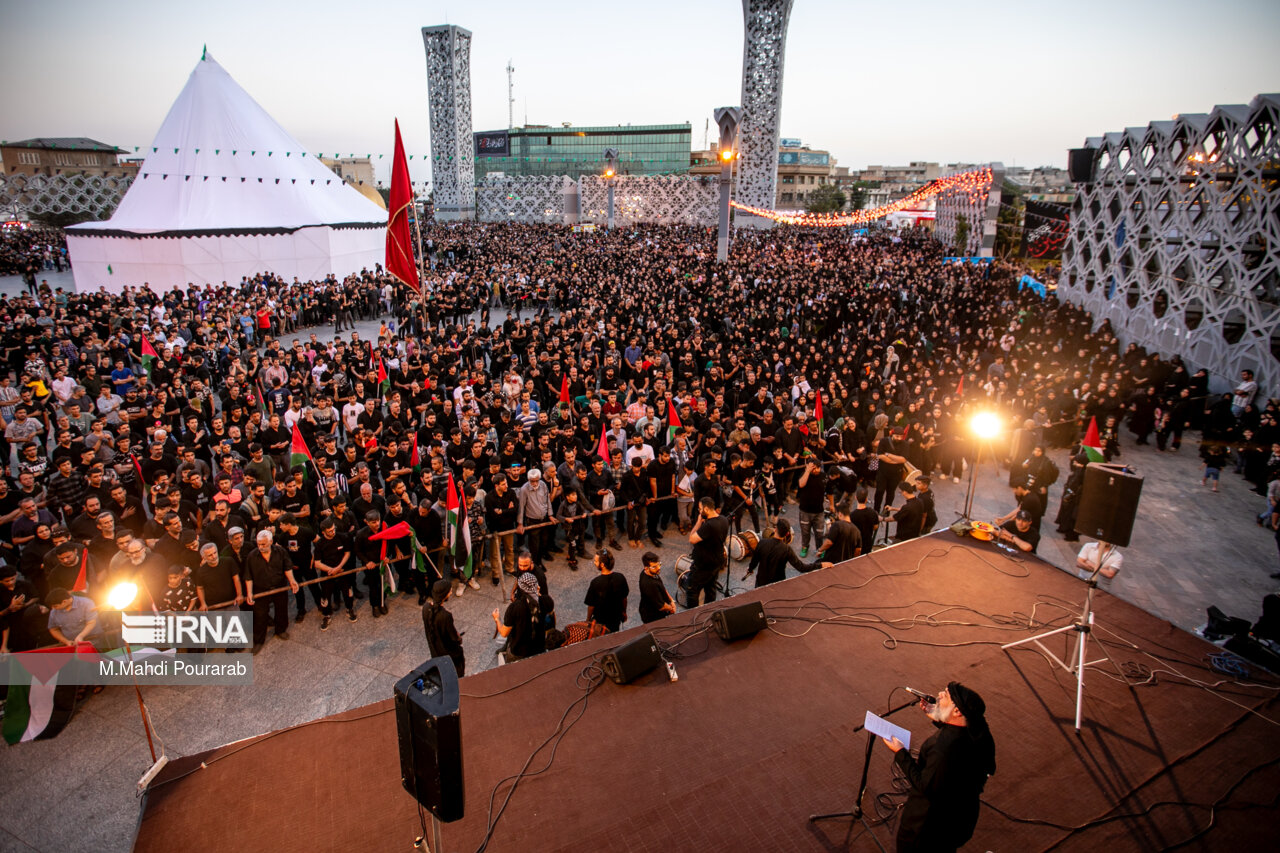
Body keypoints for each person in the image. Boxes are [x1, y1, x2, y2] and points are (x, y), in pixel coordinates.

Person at [881, 682, 996, 853]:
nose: (940, 694)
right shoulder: (980, 732)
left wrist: (899, 752)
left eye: (947, 695)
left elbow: (925, 786)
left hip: (928, 829)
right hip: (959, 820)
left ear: (957, 711)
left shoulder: (942, 749)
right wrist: (940, 716)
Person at [244, 528, 299, 653]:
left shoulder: (280, 551)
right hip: (261, 589)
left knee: (281, 609)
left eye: (263, 544)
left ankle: (280, 630)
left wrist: (292, 581)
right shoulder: (252, 556)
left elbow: (287, 567)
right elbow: (248, 576)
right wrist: (249, 592)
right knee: (260, 615)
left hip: (279, 586)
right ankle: (258, 640)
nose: (261, 547)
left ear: (271, 542)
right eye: (259, 544)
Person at [746, 518, 822, 587]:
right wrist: (820, 565)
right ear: (787, 534)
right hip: (778, 584)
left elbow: (754, 561)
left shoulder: (762, 543)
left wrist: (750, 569)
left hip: (761, 582)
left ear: (775, 529)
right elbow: (801, 567)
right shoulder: (787, 549)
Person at [492, 571, 547, 662]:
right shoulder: (545, 601)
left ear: (520, 588)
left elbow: (504, 633)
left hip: (519, 651)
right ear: (536, 586)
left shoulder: (515, 607)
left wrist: (496, 618)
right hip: (538, 649)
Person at [686, 497, 729, 606]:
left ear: (706, 509)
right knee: (710, 588)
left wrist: (699, 522)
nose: (699, 511)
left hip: (703, 564)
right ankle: (709, 609)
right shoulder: (724, 519)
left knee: (692, 590)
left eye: (700, 509)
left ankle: (693, 614)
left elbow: (692, 539)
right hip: (716, 561)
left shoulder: (709, 525)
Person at [422, 579, 465, 676]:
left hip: (435, 650)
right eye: (450, 591)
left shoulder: (426, 608)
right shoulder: (445, 616)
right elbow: (453, 637)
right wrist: (459, 639)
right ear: (445, 595)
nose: (451, 592)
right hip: (447, 652)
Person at [584, 548, 628, 633]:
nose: (594, 563)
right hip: (616, 617)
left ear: (602, 564)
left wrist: (588, 620)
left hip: (601, 621)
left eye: (596, 561)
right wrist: (624, 612)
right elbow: (624, 598)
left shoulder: (595, 582)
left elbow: (591, 606)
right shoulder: (620, 577)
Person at [637, 551, 676, 623]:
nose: (658, 568)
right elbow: (662, 607)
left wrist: (671, 600)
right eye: (654, 567)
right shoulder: (650, 585)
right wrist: (671, 609)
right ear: (646, 568)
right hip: (652, 616)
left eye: (659, 564)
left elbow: (662, 587)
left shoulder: (651, 572)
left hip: (655, 610)